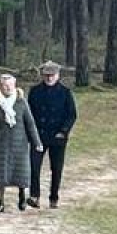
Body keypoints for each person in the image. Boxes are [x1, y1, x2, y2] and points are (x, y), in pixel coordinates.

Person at [0, 72, 41, 212]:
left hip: (19, 145)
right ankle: (0, 203)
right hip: (0, 145)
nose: (7, 88)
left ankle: (22, 197)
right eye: (4, 86)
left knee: (21, 173)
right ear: (0, 87)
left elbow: (30, 124)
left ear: (14, 85)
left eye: (10, 85)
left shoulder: (22, 103)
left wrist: (37, 142)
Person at [26, 59, 76, 208]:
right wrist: (31, 133)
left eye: (52, 75)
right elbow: (29, 114)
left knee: (56, 168)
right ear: (42, 75)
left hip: (57, 136)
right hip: (38, 135)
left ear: (58, 75)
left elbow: (72, 114)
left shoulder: (65, 93)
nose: (49, 78)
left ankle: (54, 198)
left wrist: (63, 131)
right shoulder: (34, 91)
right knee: (34, 166)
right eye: (46, 75)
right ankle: (34, 196)